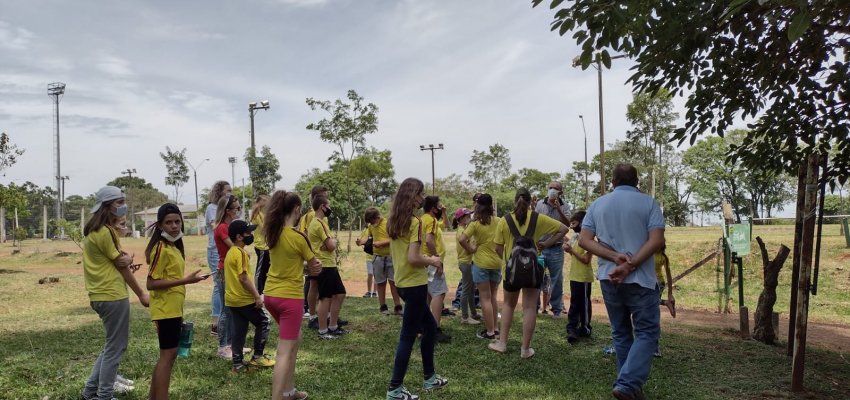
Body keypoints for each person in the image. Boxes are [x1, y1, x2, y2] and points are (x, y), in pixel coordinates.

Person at [578, 163, 666, 400]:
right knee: (647, 332)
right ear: (637, 181)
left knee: (621, 332)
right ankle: (628, 384)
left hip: (609, 277)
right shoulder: (649, 203)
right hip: (641, 280)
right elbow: (656, 240)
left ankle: (628, 385)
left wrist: (614, 257)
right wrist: (631, 263)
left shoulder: (598, 204)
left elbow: (584, 240)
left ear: (613, 181)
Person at [81, 186, 150, 400]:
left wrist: (126, 260)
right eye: (119, 203)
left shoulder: (94, 231)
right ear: (107, 206)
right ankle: (104, 395)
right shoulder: (106, 231)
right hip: (112, 295)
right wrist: (141, 294)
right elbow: (122, 265)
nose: (123, 207)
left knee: (111, 346)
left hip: (99, 295)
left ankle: (90, 392)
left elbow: (119, 261)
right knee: (116, 347)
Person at [385, 178, 448, 400]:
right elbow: (413, 258)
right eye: (420, 194)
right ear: (412, 196)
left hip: (402, 283)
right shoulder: (415, 222)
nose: (423, 198)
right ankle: (394, 389)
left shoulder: (393, 221)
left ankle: (429, 377)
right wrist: (433, 260)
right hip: (415, 285)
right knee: (408, 336)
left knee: (429, 328)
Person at [488, 188, 568, 359]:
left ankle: (502, 343)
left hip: (511, 271)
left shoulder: (504, 220)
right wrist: (546, 244)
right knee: (530, 307)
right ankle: (525, 349)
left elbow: (498, 247)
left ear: (514, 201)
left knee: (508, 305)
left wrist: (508, 260)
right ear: (531, 201)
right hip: (533, 270)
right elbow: (563, 229)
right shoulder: (538, 218)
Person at [145, 203, 208, 399]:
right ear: (160, 225)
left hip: (173, 308)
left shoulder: (173, 246)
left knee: (168, 356)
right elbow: (151, 283)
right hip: (165, 309)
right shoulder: (161, 247)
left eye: (177, 222)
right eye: (168, 222)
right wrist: (186, 280)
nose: (174, 226)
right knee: (167, 356)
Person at [263, 190, 321, 400]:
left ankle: (289, 391)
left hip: (270, 296)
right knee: (284, 352)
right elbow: (315, 266)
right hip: (290, 299)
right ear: (297, 209)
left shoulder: (273, 232)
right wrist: (314, 267)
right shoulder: (298, 237)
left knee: (296, 337)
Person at [224, 219, 275, 372]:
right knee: (264, 321)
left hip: (232, 300)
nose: (251, 235)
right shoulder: (240, 253)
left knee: (239, 330)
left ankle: (237, 364)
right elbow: (243, 278)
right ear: (239, 237)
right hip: (244, 299)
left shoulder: (231, 252)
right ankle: (257, 357)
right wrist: (257, 296)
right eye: (248, 233)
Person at [458, 193, 502, 340]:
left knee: (485, 298)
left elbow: (462, 239)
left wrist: (471, 250)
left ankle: (490, 332)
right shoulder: (499, 221)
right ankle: (496, 329)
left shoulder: (475, 223)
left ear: (477, 206)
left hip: (481, 264)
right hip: (496, 262)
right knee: (493, 296)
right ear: (491, 206)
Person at [308, 195, 347, 339]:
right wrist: (333, 241)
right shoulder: (319, 223)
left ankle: (333, 326)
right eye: (328, 205)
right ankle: (323, 331)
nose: (330, 208)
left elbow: (327, 245)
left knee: (339, 293)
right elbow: (331, 245)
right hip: (325, 265)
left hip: (328, 264)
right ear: (322, 207)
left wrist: (329, 243)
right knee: (325, 298)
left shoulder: (318, 222)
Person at [534, 180, 571, 318]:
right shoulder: (540, 204)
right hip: (540, 247)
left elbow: (568, 225)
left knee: (557, 279)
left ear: (560, 192)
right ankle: (534, 306)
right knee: (536, 277)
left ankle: (556, 309)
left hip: (556, 249)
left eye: (555, 188)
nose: (552, 190)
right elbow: (535, 222)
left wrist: (559, 210)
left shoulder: (565, 206)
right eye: (550, 187)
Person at [356, 207, 403, 315]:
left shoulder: (388, 223)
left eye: (372, 222)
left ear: (377, 217)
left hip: (391, 257)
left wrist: (382, 243)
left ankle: (398, 307)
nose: (372, 224)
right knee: (380, 283)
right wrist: (361, 242)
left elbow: (395, 238)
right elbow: (368, 238)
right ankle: (383, 307)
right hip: (377, 258)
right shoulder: (371, 226)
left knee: (393, 283)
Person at [214, 194, 244, 359]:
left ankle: (231, 345)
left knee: (232, 308)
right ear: (227, 210)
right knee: (226, 309)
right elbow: (234, 248)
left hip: (230, 270)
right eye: (236, 208)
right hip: (225, 271)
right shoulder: (222, 228)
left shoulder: (228, 226)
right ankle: (222, 346)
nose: (239, 210)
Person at [421, 196, 451, 343]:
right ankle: (434, 329)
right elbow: (429, 240)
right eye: (439, 206)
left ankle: (424, 327)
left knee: (428, 294)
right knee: (439, 293)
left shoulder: (422, 219)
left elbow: (446, 224)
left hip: (423, 260)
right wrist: (437, 259)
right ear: (433, 208)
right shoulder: (431, 220)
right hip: (431, 261)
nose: (441, 208)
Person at [206, 181, 231, 336]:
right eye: (228, 190)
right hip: (215, 251)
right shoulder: (212, 208)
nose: (230, 193)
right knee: (218, 285)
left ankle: (224, 320)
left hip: (224, 250)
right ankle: (216, 323)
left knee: (225, 286)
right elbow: (216, 225)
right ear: (219, 192)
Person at [300, 185, 328, 323]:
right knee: (313, 283)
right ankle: (310, 312)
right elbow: (306, 234)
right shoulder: (312, 215)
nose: (327, 199)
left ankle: (316, 313)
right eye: (325, 196)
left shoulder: (318, 214)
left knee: (314, 283)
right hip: (316, 255)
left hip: (320, 254)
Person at [564, 210, 594, 343]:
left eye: (574, 223)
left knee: (584, 303)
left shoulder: (589, 240)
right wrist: (569, 250)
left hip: (584, 277)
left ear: (582, 223)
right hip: (574, 275)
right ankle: (572, 327)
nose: (572, 227)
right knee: (574, 302)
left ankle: (585, 327)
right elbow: (574, 253)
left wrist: (571, 250)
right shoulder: (576, 237)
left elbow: (586, 260)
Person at [452, 207, 480, 325]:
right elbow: (467, 248)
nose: (469, 218)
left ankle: (473, 313)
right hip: (465, 263)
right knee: (466, 290)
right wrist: (474, 249)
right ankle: (465, 317)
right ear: (461, 219)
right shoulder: (461, 232)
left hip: (468, 262)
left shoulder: (464, 229)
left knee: (471, 289)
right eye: (467, 216)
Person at [251, 194, 271, 294]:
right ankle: (258, 290)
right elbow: (264, 229)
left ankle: (264, 290)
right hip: (261, 246)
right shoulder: (257, 214)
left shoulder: (263, 214)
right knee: (260, 271)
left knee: (266, 269)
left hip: (266, 246)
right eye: (266, 200)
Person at [356, 226, 376, 298]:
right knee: (370, 273)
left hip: (377, 255)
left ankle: (375, 292)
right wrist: (358, 242)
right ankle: (369, 292)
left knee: (377, 275)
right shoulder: (366, 229)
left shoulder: (377, 228)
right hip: (369, 257)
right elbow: (360, 243)